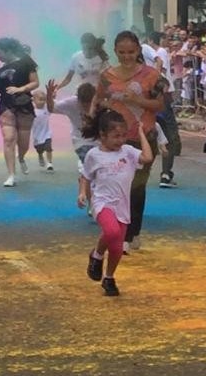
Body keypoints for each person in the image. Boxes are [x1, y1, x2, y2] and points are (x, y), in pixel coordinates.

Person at [94, 31, 167, 253]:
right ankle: (118, 230)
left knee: (136, 186)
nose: (126, 56)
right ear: (115, 51)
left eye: (131, 52)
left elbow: (160, 105)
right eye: (122, 52)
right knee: (117, 186)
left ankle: (130, 233)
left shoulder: (152, 76)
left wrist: (137, 100)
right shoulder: (107, 76)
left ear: (138, 51)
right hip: (116, 140)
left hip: (144, 137)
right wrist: (106, 108)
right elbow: (100, 100)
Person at [78, 108, 154, 297]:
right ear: (102, 135)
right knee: (111, 231)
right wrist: (82, 193)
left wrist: (142, 134)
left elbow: (147, 157)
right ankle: (96, 254)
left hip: (122, 205)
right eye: (115, 136)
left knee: (117, 248)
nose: (120, 140)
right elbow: (85, 176)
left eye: (123, 136)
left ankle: (109, 277)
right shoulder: (94, 155)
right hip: (102, 202)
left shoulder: (128, 151)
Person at [0, 37, 39, 187]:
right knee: (9, 139)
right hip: (6, 106)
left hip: (24, 105)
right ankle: (11, 175)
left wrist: (20, 89)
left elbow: (35, 82)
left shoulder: (26, 61)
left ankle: (21, 157)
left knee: (23, 143)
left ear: (8, 50)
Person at [46, 80, 98, 171]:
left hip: (100, 141)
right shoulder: (71, 103)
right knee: (88, 164)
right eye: (83, 103)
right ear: (78, 98)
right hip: (81, 140)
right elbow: (51, 109)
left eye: (89, 103)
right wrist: (49, 96)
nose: (86, 106)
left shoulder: (100, 103)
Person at [31, 90, 54, 172]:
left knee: (48, 148)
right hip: (37, 135)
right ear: (34, 100)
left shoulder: (46, 109)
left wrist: (51, 96)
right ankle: (40, 155)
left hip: (47, 133)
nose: (43, 102)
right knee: (39, 149)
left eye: (44, 99)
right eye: (40, 99)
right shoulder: (31, 111)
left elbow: (52, 102)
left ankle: (49, 163)